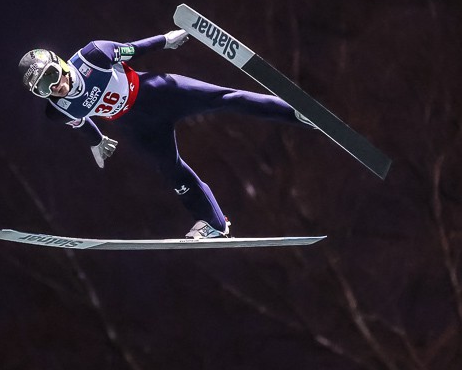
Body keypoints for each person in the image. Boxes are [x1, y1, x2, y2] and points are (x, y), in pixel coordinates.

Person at [18, 29, 312, 239]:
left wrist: (166, 41)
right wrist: (96, 141)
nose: (55, 87)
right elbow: (81, 121)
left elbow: (133, 48)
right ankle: (213, 223)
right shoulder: (58, 109)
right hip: (139, 126)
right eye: (43, 88)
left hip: (158, 92)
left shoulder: (94, 55)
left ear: (60, 63)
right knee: (171, 170)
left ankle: (296, 113)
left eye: (51, 76)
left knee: (224, 98)